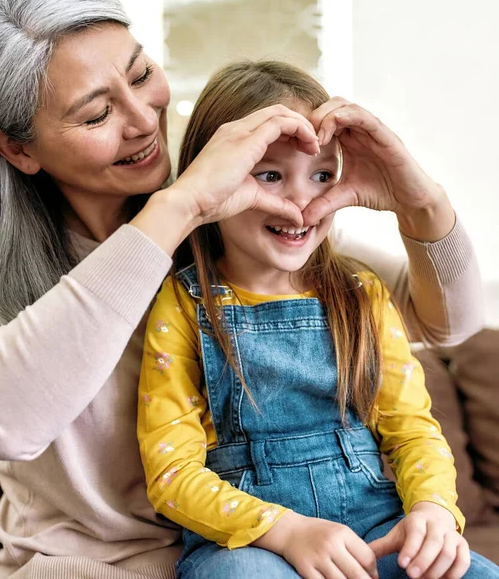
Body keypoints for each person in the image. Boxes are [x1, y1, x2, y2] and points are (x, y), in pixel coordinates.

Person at [0, 0, 482, 577]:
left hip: (265, 553)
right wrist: (177, 211)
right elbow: (6, 421)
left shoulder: (233, 223)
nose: (141, 120)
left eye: (141, 73)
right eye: (97, 112)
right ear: (18, 149)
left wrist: (420, 199)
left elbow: (447, 321)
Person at [137, 60, 498, 579]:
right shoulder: (184, 302)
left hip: (375, 527)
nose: (302, 201)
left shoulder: (362, 293)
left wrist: (435, 509)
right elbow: (172, 473)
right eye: (270, 175)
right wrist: (287, 531)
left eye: (322, 176)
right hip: (253, 539)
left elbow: (411, 429)